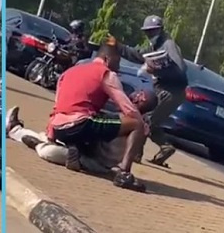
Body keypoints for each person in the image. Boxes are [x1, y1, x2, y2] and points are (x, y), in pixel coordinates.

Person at [45, 38, 150, 192]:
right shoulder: (106, 74)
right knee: (136, 124)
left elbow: (58, 105)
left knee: (100, 119)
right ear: (107, 59)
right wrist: (142, 126)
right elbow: (128, 109)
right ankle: (124, 175)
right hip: (81, 123)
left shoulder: (71, 71)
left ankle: (76, 148)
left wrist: (51, 133)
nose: (118, 66)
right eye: (117, 61)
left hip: (59, 127)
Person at [6, 89, 158, 174]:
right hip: (87, 151)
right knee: (48, 137)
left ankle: (33, 142)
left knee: (49, 151)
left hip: (93, 161)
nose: (134, 94)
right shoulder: (135, 121)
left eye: (140, 94)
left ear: (141, 100)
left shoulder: (131, 122)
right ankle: (16, 130)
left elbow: (97, 132)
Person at [114, 16, 188, 167]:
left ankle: (135, 154)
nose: (150, 35)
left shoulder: (168, 44)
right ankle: (165, 147)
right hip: (162, 90)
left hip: (171, 92)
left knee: (146, 121)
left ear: (160, 30)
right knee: (149, 121)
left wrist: (159, 69)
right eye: (147, 32)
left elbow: (181, 69)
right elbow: (137, 54)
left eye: (153, 31)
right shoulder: (153, 47)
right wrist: (118, 46)